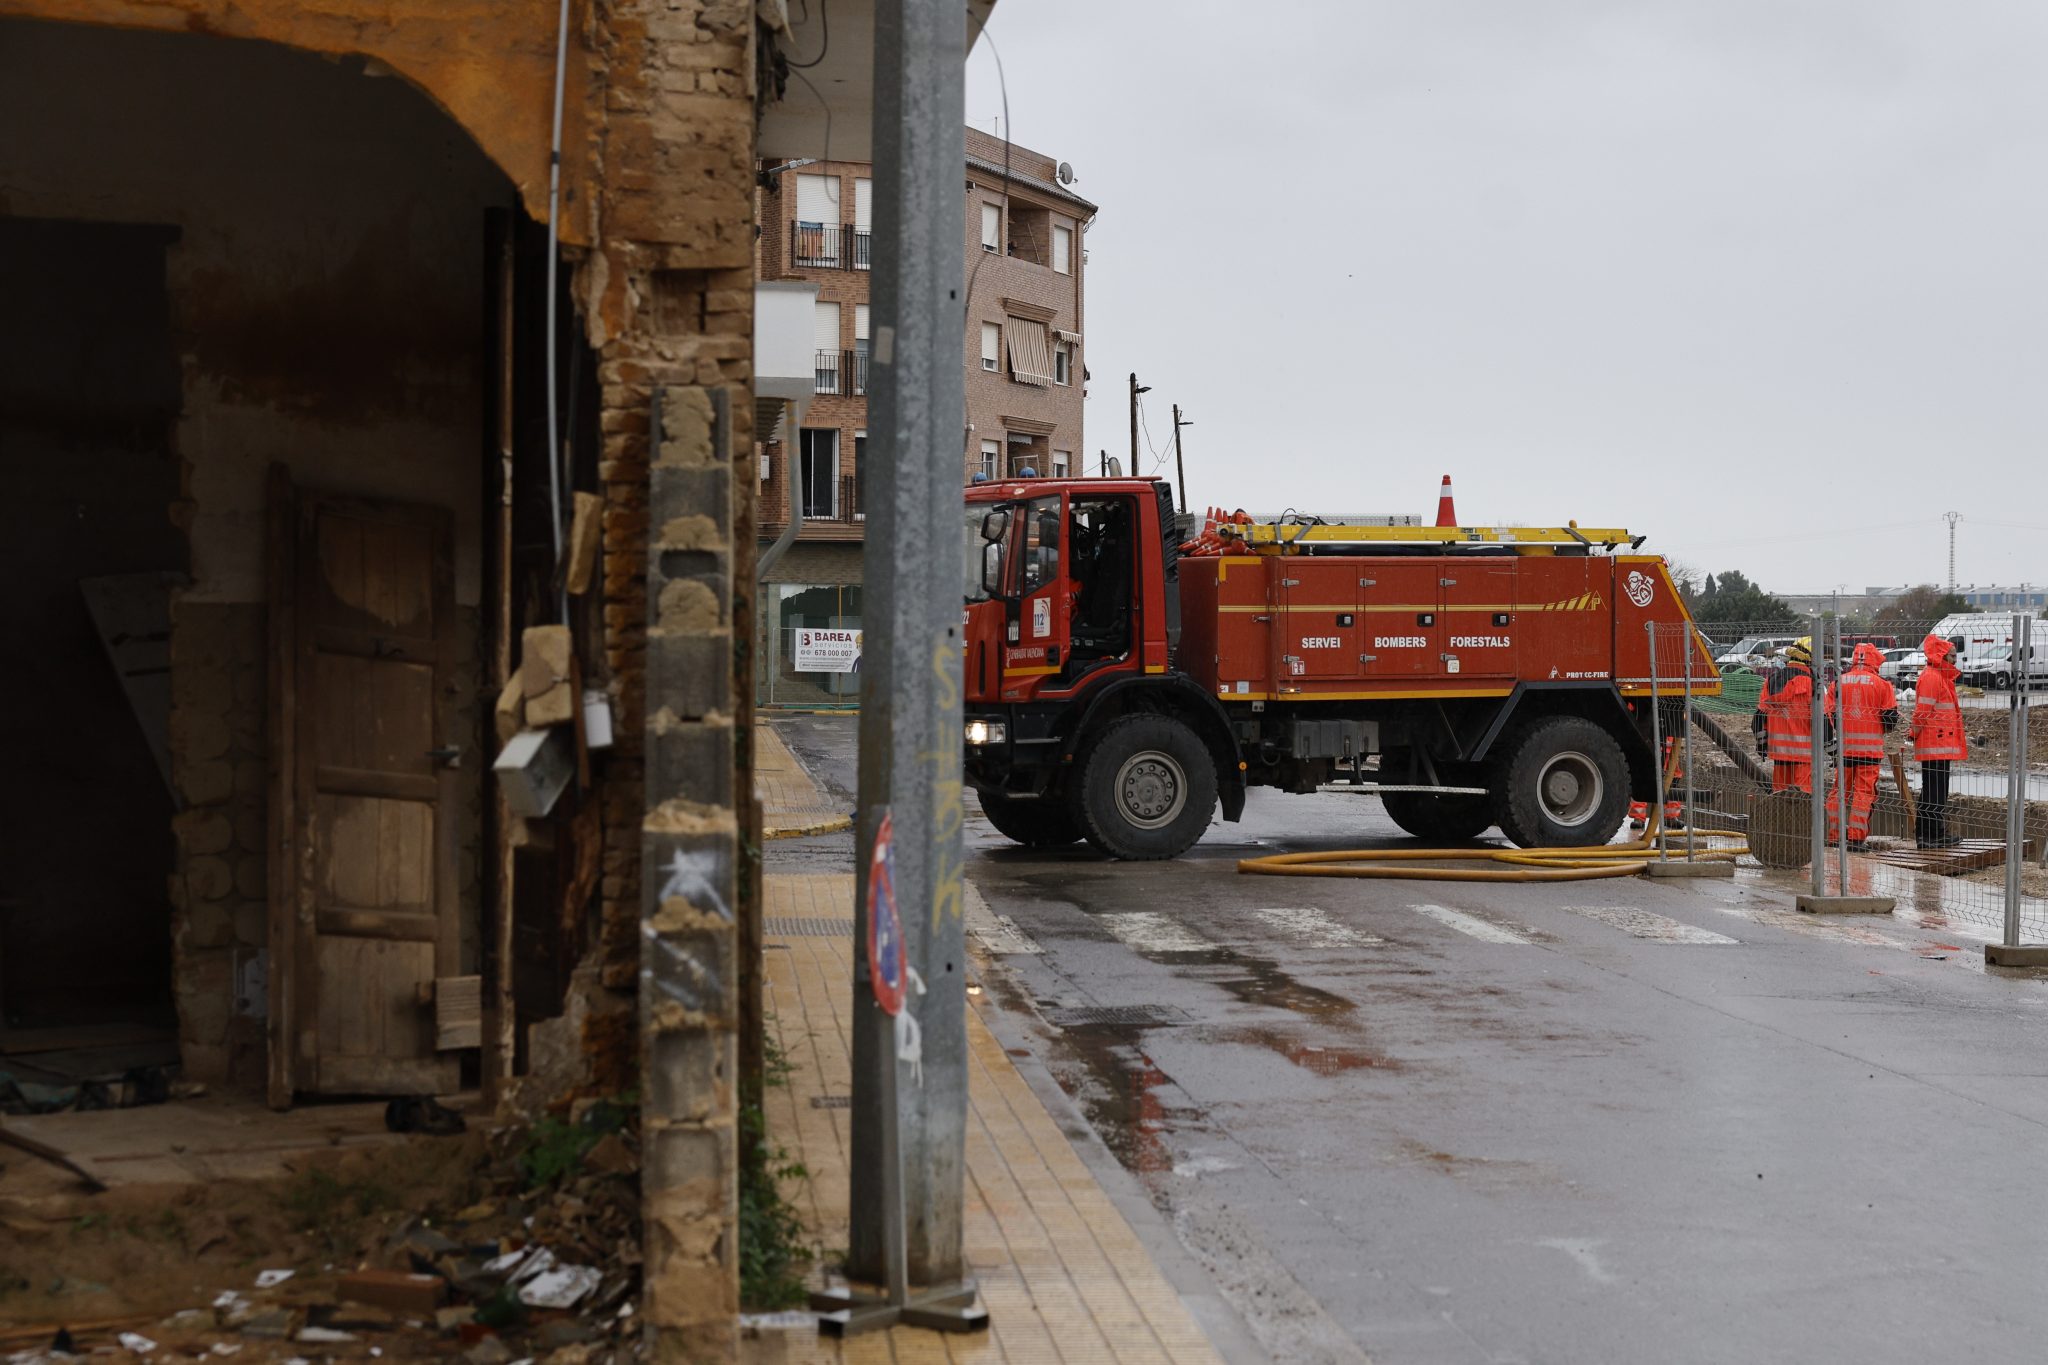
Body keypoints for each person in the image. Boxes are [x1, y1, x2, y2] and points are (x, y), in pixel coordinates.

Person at [1824, 642, 1899, 847]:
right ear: (1874, 661)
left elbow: (1829, 714)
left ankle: (1834, 835)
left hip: (1845, 749)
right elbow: (1890, 719)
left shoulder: (1838, 683)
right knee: (1863, 794)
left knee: (1839, 791)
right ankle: (1856, 837)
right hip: (1869, 750)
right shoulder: (1882, 685)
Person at [1909, 633, 1967, 848]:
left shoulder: (1938, 677)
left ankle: (1928, 835)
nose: (1955, 660)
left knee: (1934, 790)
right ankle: (1932, 835)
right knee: (1935, 792)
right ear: (1941, 656)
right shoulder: (1933, 677)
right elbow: (1922, 711)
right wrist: (1913, 733)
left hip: (1938, 743)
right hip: (1936, 744)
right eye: (1952, 656)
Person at [1752, 637, 1815, 793]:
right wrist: (1831, 749)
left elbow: (1758, 717)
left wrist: (1762, 743)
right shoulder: (1812, 684)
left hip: (1779, 754)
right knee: (1804, 798)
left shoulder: (1771, 680)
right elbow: (1822, 720)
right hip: (1804, 755)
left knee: (1780, 798)